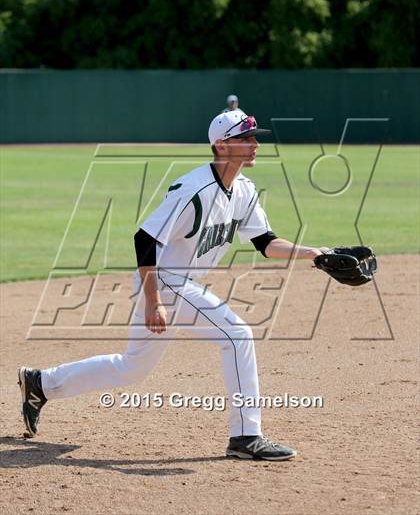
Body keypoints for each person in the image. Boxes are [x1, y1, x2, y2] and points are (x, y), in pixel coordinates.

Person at [18, 110, 328, 461]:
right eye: (247, 139)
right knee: (237, 335)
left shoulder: (243, 190)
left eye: (255, 138)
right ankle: (246, 435)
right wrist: (153, 301)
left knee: (132, 367)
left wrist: (315, 254)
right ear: (222, 147)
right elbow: (145, 239)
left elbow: (266, 242)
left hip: (179, 283)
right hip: (163, 280)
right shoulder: (194, 188)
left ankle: (41, 383)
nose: (256, 144)